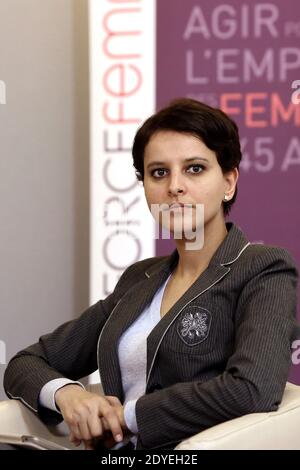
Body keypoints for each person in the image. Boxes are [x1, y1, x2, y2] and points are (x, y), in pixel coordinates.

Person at [4, 98, 299, 451]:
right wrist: (68, 395)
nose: (174, 186)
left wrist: (129, 417)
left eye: (194, 169)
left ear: (229, 182)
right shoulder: (139, 278)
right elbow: (26, 363)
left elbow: (253, 388)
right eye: (159, 172)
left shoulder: (262, 267)